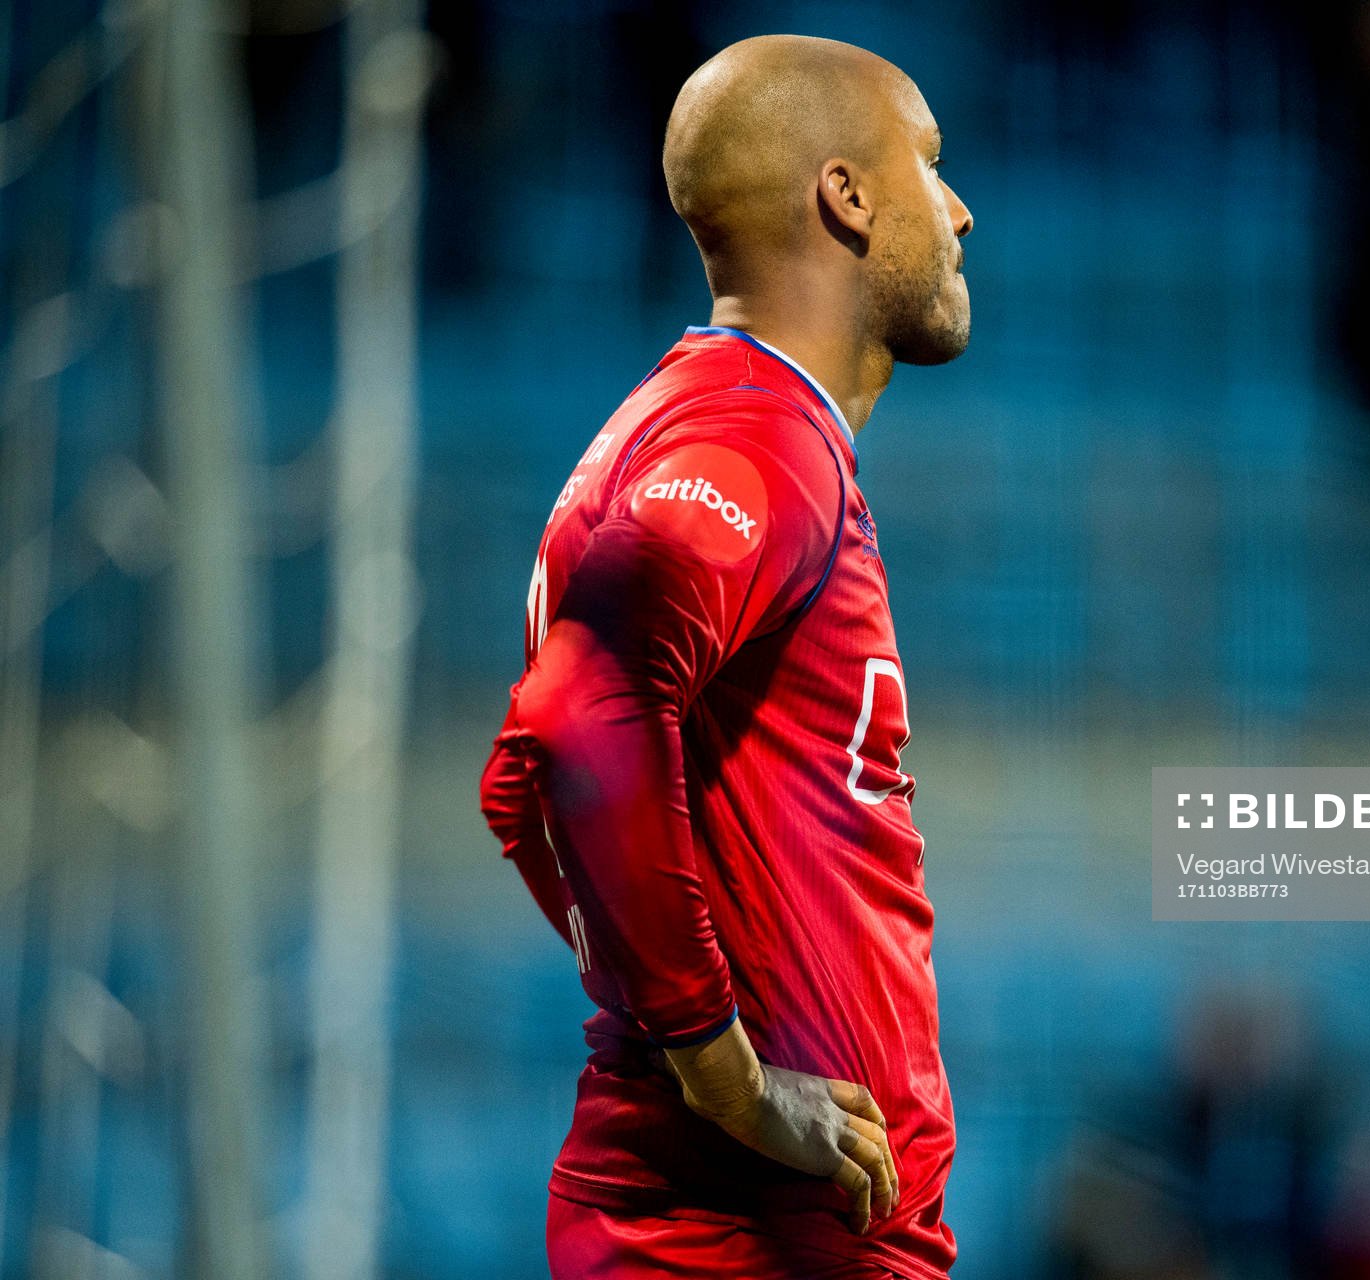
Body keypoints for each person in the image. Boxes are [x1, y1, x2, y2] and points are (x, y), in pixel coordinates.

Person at [477, 33, 973, 1280]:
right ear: (846, 195)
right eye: (929, 165)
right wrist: (721, 1069)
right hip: (750, 1236)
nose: (961, 211)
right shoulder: (758, 442)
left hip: (734, 1223)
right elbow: (581, 716)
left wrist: (675, 1014)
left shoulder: (689, 425)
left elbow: (524, 787)